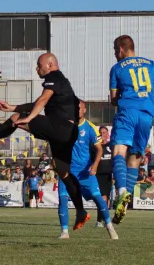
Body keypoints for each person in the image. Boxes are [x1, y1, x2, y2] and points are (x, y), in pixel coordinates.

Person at [0, 53, 89, 228]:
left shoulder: (54, 77)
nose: (37, 68)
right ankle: (81, 211)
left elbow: (42, 101)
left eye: (39, 65)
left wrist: (28, 118)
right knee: (63, 172)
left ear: (50, 65)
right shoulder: (59, 81)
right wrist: (13, 107)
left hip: (61, 128)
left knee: (17, 119)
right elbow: (38, 102)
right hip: (68, 132)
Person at [109, 35, 154, 224]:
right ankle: (126, 200)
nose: (114, 53)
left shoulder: (117, 68)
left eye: (114, 50)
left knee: (118, 152)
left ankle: (121, 192)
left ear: (121, 49)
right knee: (135, 157)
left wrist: (119, 98)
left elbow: (113, 99)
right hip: (146, 114)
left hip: (128, 111)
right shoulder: (152, 63)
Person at [57, 101, 118, 240]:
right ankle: (64, 232)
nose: (77, 110)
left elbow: (99, 149)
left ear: (84, 110)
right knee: (62, 199)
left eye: (79, 108)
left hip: (85, 171)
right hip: (67, 171)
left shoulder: (90, 128)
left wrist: (95, 165)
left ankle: (109, 226)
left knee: (98, 197)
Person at [95, 125, 113, 227]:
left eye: (104, 133)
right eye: (101, 133)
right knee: (102, 198)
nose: (103, 135)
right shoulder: (96, 147)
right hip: (99, 175)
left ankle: (103, 220)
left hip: (108, 175)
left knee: (107, 198)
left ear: (108, 134)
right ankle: (100, 220)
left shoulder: (111, 146)